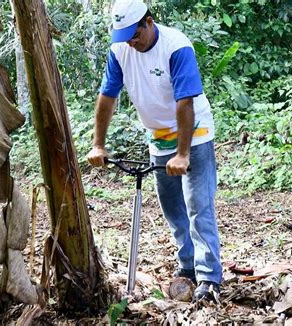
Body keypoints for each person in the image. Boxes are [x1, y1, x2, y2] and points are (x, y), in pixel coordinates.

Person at [86, 0, 222, 301]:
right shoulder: (120, 50)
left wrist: (183, 154)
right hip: (159, 136)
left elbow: (185, 101)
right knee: (173, 208)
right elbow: (107, 97)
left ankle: (210, 278)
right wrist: (98, 144)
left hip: (193, 132)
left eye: (135, 35)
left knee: (198, 204)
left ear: (148, 22)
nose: (131, 43)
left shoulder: (176, 46)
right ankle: (187, 268)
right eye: (125, 38)